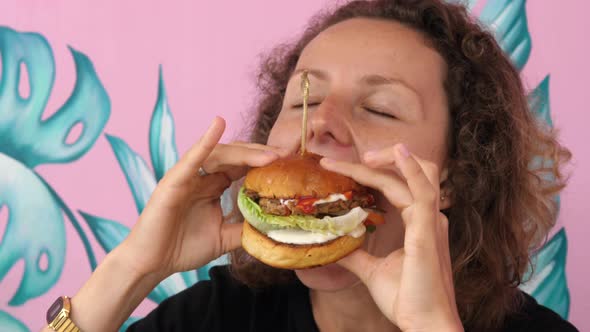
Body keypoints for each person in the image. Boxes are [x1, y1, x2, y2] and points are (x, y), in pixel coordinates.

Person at [41, 0, 578, 331]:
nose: (320, 122)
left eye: (379, 108)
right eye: (301, 102)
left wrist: (430, 327)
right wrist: (133, 267)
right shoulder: (216, 316)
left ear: (455, 176)